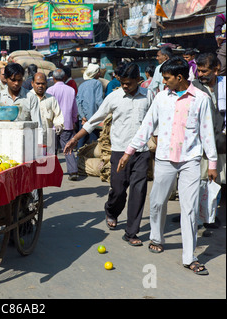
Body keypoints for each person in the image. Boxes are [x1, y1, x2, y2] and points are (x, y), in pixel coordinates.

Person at [118, 56, 217, 275]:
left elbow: (207, 131)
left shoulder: (200, 98)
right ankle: (156, 237)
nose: (163, 82)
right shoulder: (161, 98)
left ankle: (190, 257)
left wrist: (212, 163)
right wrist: (129, 151)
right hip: (164, 159)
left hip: (190, 160)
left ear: (179, 77)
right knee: (156, 202)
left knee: (189, 209)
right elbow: (146, 126)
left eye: (167, 78)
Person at [64, 63, 154, 245]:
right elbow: (93, 121)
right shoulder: (113, 97)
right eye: (123, 83)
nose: (126, 87)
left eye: (129, 83)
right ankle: (111, 211)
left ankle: (131, 233)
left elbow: (156, 122)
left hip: (141, 152)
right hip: (119, 151)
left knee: (139, 191)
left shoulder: (149, 96)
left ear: (139, 80)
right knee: (119, 190)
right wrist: (75, 139)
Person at [192, 53, 226, 227]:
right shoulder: (194, 87)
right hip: (199, 145)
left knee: (216, 181)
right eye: (199, 70)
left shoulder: (224, 85)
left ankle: (209, 215)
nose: (200, 74)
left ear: (216, 69)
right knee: (198, 180)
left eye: (204, 71)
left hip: (221, 144)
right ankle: (195, 214)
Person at [0, 63, 43, 142]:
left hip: (25, 141)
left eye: (19, 80)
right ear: (6, 78)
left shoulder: (30, 97)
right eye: (13, 80)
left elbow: (38, 125)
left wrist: (38, 145)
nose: (16, 83)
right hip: (3, 141)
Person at [46, 68, 79, 180]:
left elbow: (48, 108)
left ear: (53, 78)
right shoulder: (71, 90)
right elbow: (75, 108)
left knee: (52, 149)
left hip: (54, 124)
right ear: (64, 77)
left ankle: (51, 172)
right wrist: (74, 120)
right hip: (67, 123)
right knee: (68, 147)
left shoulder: (50, 90)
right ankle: (73, 171)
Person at [31, 72, 64, 155]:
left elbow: (58, 114)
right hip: (31, 137)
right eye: (38, 83)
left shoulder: (51, 99)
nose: (40, 86)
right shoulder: (28, 97)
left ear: (46, 84)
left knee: (49, 163)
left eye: (43, 84)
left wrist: (58, 125)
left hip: (48, 136)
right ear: (32, 83)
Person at [75, 63, 104, 150]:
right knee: (93, 143)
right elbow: (99, 101)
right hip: (93, 119)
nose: (100, 73)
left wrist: (82, 116)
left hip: (83, 119)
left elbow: (78, 102)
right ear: (95, 73)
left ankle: (79, 160)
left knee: (81, 142)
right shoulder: (97, 83)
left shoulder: (82, 85)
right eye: (98, 72)